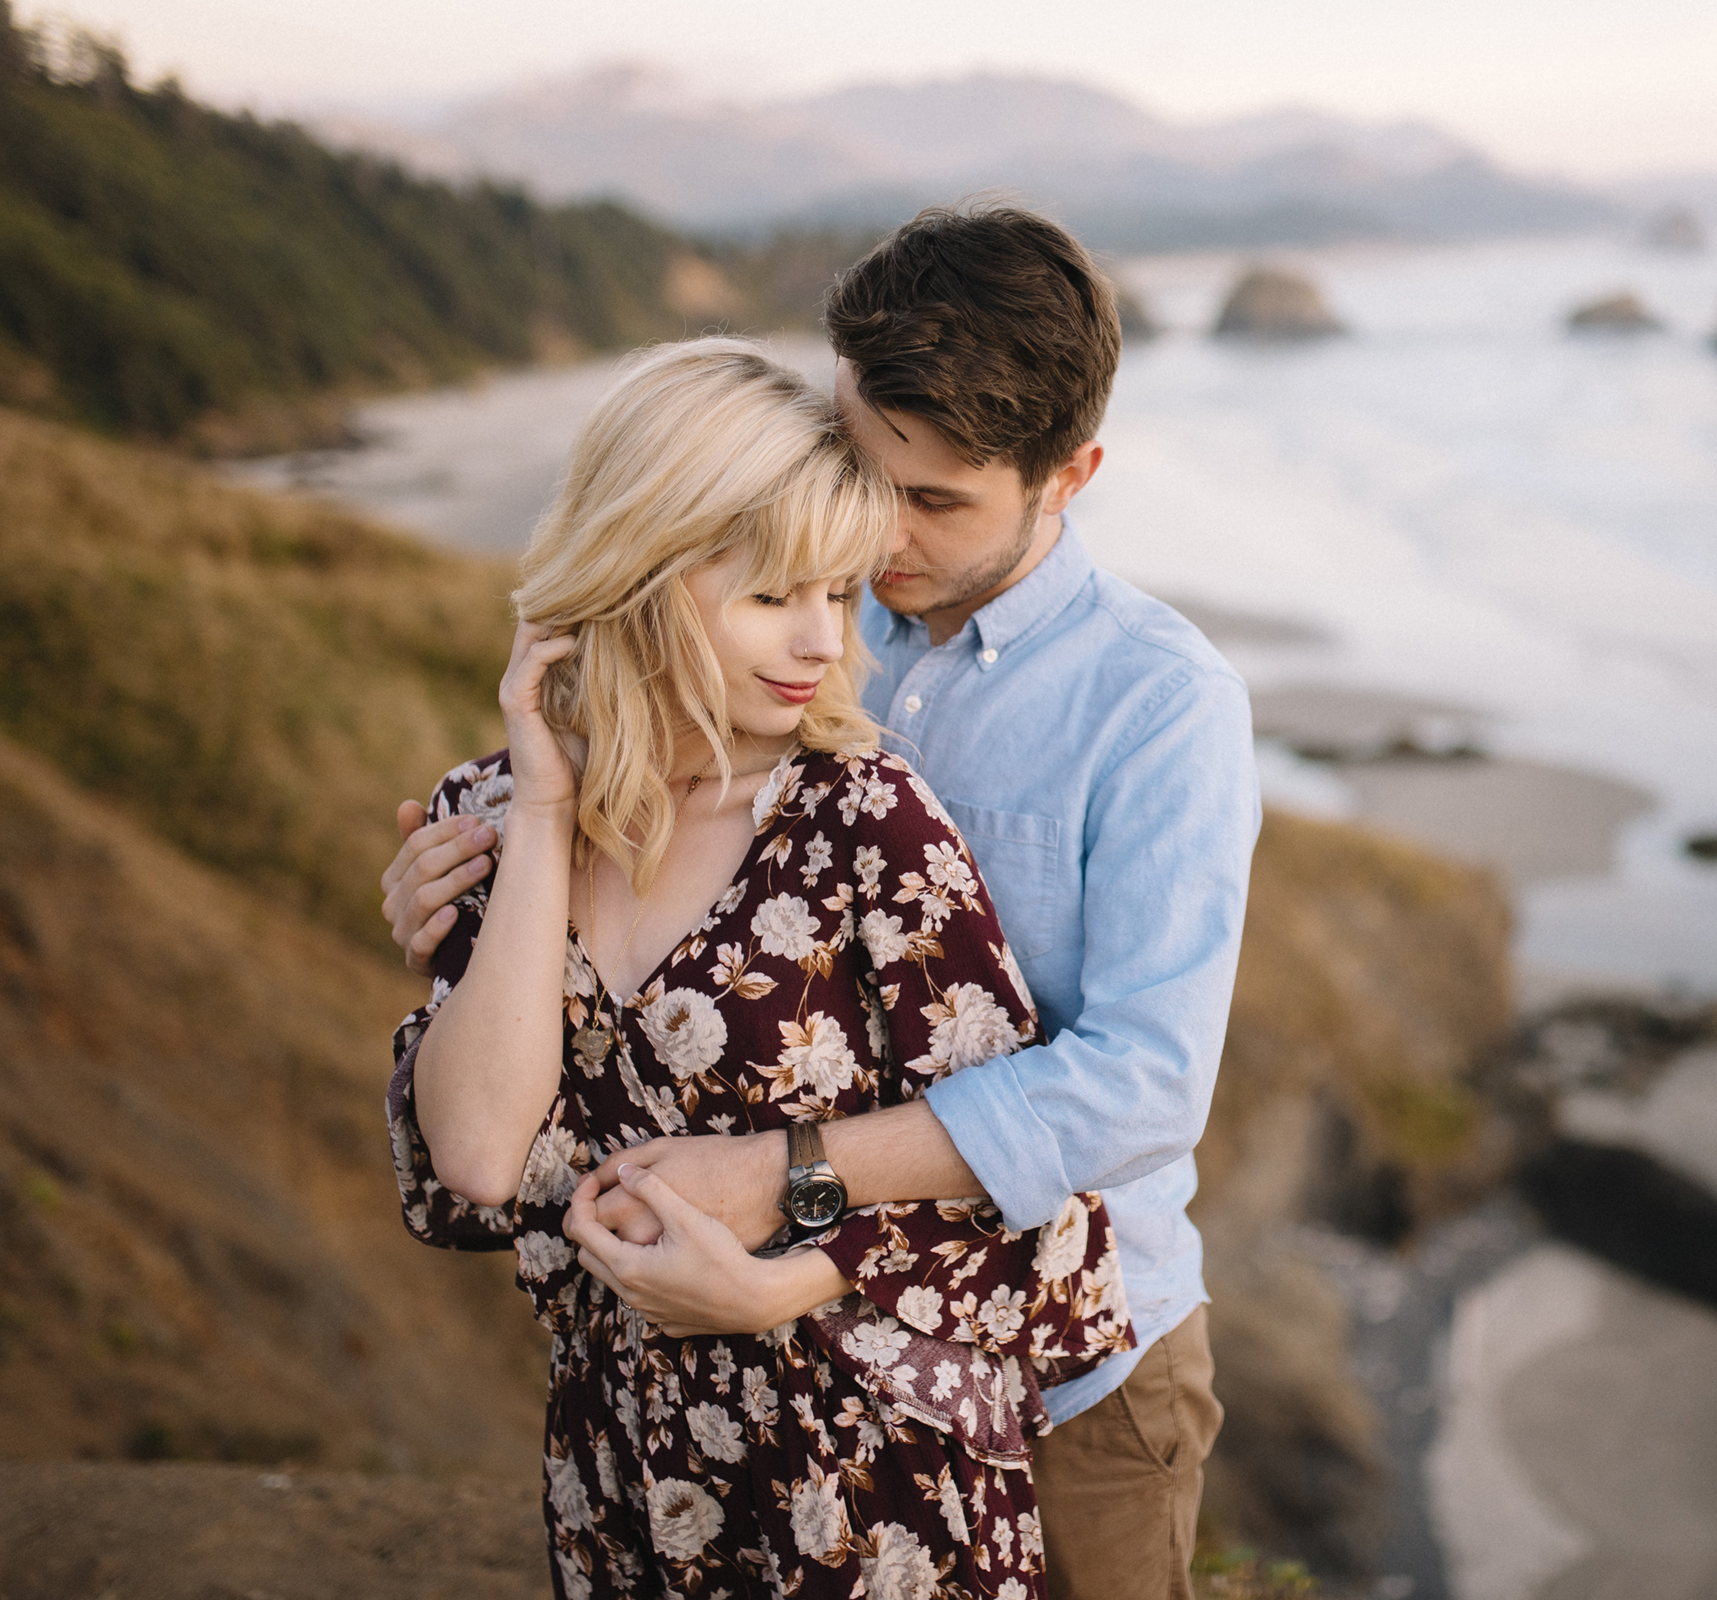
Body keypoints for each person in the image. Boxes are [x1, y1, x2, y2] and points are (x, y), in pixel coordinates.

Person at [382, 207, 1262, 1600]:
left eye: (937, 503)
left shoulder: (1158, 705)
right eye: (861, 473)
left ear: (1070, 475)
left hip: (1084, 1365)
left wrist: (801, 1204)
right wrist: (484, 882)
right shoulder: (784, 648)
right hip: (700, 1422)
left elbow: (1141, 1086)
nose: (876, 547)